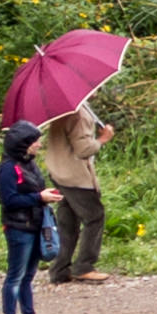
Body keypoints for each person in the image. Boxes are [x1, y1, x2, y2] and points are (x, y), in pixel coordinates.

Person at [0, 122, 57, 314]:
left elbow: (33, 191)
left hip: (35, 223)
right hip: (18, 227)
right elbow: (9, 200)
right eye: (35, 141)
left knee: (28, 275)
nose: (39, 144)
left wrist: (45, 195)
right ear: (24, 144)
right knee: (15, 275)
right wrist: (39, 197)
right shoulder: (7, 169)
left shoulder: (30, 164)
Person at [42, 102, 112, 282]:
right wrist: (102, 139)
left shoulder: (62, 109)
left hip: (59, 172)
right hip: (75, 176)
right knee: (94, 216)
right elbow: (83, 150)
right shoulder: (79, 114)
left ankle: (59, 269)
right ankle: (84, 266)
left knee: (68, 223)